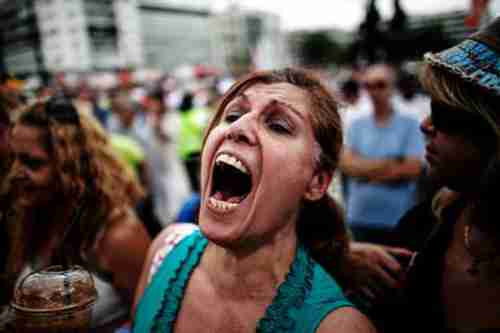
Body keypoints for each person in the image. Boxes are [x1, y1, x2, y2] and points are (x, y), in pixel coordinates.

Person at [132, 68, 377, 333]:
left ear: (316, 182)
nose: (237, 127)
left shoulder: (340, 328)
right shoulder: (164, 251)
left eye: (278, 125)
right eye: (233, 115)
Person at [357, 16, 500, 333]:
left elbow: (407, 168)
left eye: (443, 113)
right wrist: (339, 256)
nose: (425, 125)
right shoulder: (422, 227)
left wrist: (369, 169)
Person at [1, 96, 151, 330]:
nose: (16, 172)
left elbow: (153, 321)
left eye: (33, 163)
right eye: (14, 159)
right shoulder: (29, 220)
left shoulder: (118, 237)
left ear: (71, 167)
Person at [340, 64, 425, 245]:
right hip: (359, 217)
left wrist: (363, 170)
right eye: (368, 85)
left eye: (380, 85)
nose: (374, 91)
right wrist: (392, 163)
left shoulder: (410, 124)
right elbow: (346, 165)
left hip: (398, 218)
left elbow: (412, 168)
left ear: (392, 87)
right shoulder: (356, 124)